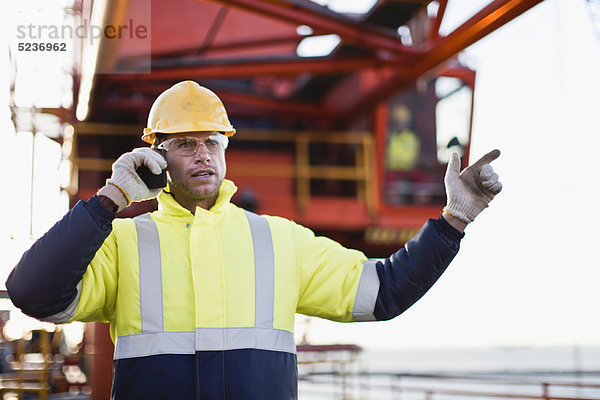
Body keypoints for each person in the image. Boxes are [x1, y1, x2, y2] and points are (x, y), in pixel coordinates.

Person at [5, 81, 502, 399]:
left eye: (212, 143)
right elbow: (32, 292)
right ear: (154, 157)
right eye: (184, 144)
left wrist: (454, 219)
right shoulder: (122, 242)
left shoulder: (279, 240)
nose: (202, 155)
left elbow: (386, 291)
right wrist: (111, 197)